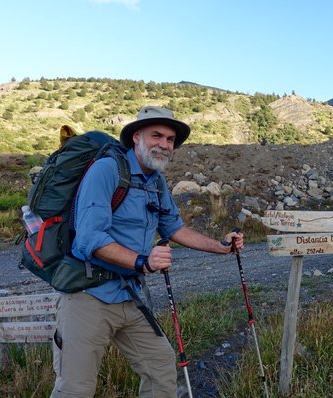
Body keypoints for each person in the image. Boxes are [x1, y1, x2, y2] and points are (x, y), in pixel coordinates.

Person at [50, 105, 244, 397]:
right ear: (136, 136)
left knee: (161, 368)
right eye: (157, 135)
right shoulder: (106, 170)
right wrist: (143, 261)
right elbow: (89, 239)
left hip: (128, 294)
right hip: (87, 295)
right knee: (76, 388)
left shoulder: (156, 182)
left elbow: (174, 228)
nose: (164, 145)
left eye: (170, 140)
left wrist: (221, 247)